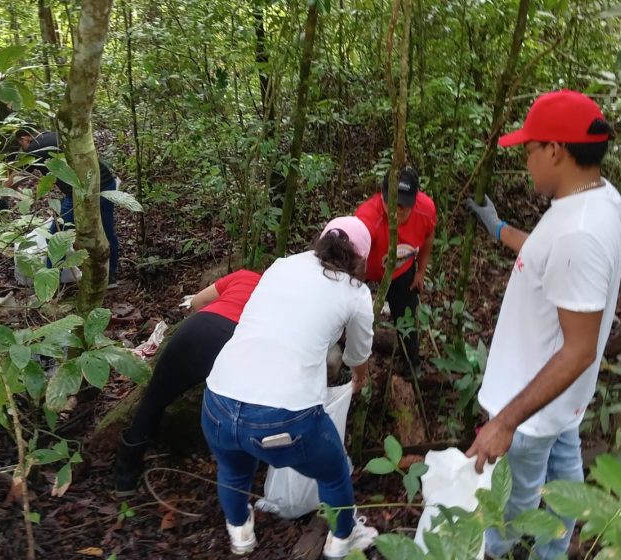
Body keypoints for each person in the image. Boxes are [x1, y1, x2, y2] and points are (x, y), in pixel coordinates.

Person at [463, 90, 621, 559]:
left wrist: (505, 423)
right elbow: (548, 255)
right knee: (565, 475)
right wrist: (499, 229)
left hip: (530, 410)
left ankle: (494, 552)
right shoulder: (600, 198)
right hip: (560, 404)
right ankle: (554, 551)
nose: (526, 161)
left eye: (529, 149)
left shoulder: (580, 232)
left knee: (511, 499)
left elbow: (579, 349)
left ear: (555, 149)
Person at [203, 216, 378, 558]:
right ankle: (343, 539)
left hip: (218, 400)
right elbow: (359, 351)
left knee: (233, 469)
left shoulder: (283, 265)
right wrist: (360, 378)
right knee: (333, 471)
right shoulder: (356, 293)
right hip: (284, 419)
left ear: (322, 241)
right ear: (360, 259)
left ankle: (240, 534)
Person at [114, 269, 262, 496]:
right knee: (241, 410)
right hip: (239, 342)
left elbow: (198, 302)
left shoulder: (244, 275)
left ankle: (125, 477)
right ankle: (239, 481)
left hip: (200, 327)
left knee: (154, 399)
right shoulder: (280, 294)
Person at [9, 129, 120, 286]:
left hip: (81, 192)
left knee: (56, 235)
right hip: (106, 182)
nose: (23, 149)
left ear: (24, 138)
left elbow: (12, 182)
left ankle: (51, 285)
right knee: (107, 230)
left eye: (21, 145)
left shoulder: (34, 149)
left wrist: (0, 191)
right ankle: (111, 276)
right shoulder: (54, 134)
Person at [355, 166, 436, 372]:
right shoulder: (367, 217)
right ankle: (351, 363)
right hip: (365, 271)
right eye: (391, 202)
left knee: (407, 318)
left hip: (402, 270)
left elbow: (428, 238)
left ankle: (411, 366)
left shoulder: (425, 210)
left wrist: (420, 272)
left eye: (403, 205)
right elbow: (353, 256)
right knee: (352, 316)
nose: (397, 209)